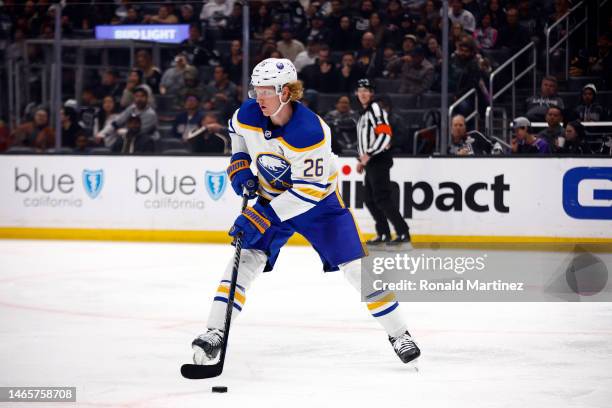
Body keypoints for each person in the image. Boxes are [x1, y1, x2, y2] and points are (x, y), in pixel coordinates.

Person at [190, 59, 420, 367]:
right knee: (243, 261)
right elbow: (237, 134)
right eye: (255, 90)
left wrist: (260, 216)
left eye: (266, 92)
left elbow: (307, 193)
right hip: (271, 197)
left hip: (319, 206)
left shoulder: (311, 131)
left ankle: (399, 333)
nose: (259, 98)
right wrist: (240, 165)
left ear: (286, 92)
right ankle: (215, 331)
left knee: (357, 268)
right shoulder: (248, 113)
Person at [355, 78, 411, 245]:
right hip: (371, 161)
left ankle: (403, 232)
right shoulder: (366, 112)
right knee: (370, 199)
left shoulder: (375, 109)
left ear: (371, 94)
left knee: (382, 198)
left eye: (366, 90)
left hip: (378, 159)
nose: (363, 93)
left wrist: (368, 155)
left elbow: (385, 135)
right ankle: (384, 233)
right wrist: (363, 160)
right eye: (360, 91)